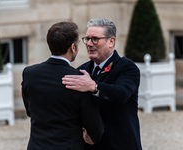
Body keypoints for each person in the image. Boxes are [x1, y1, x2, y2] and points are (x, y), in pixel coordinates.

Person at [21, 21, 104, 150]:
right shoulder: (80, 80)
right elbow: (95, 130)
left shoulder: (29, 73)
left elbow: (30, 111)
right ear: (73, 47)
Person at [62, 18, 142, 150]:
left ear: (111, 41)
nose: (89, 43)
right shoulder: (82, 71)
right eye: (87, 39)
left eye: (95, 39)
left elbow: (122, 93)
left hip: (120, 144)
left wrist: (94, 87)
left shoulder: (127, 67)